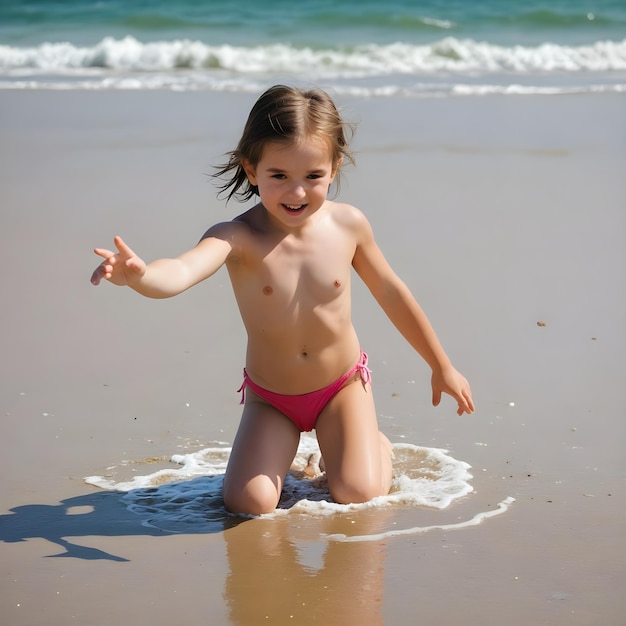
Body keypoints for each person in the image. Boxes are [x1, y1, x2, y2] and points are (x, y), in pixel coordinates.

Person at [90, 85, 474, 516]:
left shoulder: (349, 225)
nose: (296, 193)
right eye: (279, 176)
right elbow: (181, 271)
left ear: (335, 167)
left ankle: (372, 447)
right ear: (251, 169)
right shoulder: (237, 236)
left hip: (340, 388)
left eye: (313, 177)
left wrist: (441, 366)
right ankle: (301, 451)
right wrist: (140, 276)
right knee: (248, 504)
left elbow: (391, 291)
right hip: (272, 398)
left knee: (359, 492)